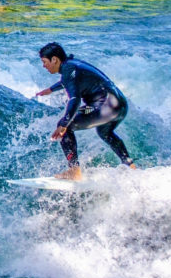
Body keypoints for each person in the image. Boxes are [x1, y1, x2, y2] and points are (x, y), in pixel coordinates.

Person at [34, 42, 136, 180]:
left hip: (104, 106)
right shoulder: (72, 64)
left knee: (66, 126)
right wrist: (51, 90)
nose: (44, 66)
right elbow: (69, 81)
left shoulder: (68, 69)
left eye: (44, 62)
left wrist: (64, 123)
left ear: (55, 59)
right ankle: (130, 166)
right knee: (104, 132)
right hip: (120, 105)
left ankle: (74, 171)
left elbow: (74, 99)